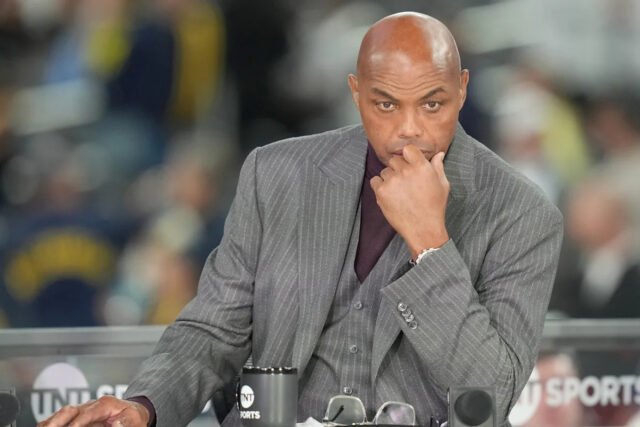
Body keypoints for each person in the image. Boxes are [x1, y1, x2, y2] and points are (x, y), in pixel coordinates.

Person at [39, 12, 563, 427]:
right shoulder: (276, 174)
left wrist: (430, 245)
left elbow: (491, 394)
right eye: (385, 105)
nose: (409, 130)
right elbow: (213, 329)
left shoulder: (523, 214)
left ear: (463, 90)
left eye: (432, 104)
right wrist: (144, 406)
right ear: (356, 93)